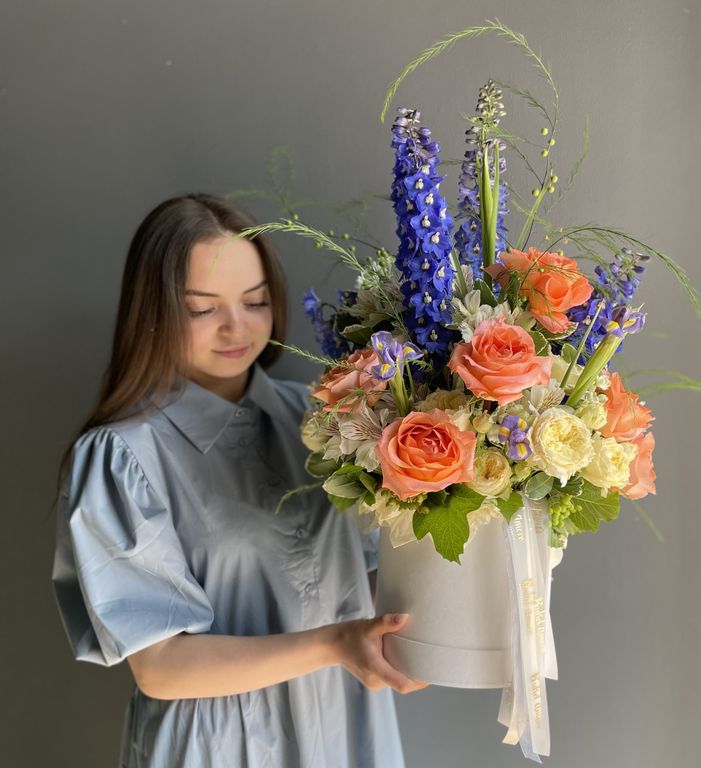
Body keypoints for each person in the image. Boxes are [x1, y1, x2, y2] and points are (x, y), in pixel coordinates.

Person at [51, 193, 425, 768]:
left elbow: (373, 571)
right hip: (221, 745)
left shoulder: (327, 420)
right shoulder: (122, 457)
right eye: (203, 309)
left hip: (346, 725)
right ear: (153, 311)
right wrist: (334, 644)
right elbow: (160, 667)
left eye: (255, 302)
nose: (237, 327)